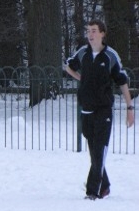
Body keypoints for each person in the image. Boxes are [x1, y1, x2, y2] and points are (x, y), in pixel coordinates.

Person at [66, 19, 134, 200]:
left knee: (99, 152)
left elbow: (122, 82)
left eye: (94, 31)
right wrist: (82, 78)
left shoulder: (110, 56)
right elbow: (68, 66)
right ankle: (105, 186)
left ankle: (92, 191)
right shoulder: (83, 53)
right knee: (94, 153)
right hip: (86, 110)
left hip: (104, 111)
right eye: (88, 31)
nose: (90, 34)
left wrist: (130, 107)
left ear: (103, 34)